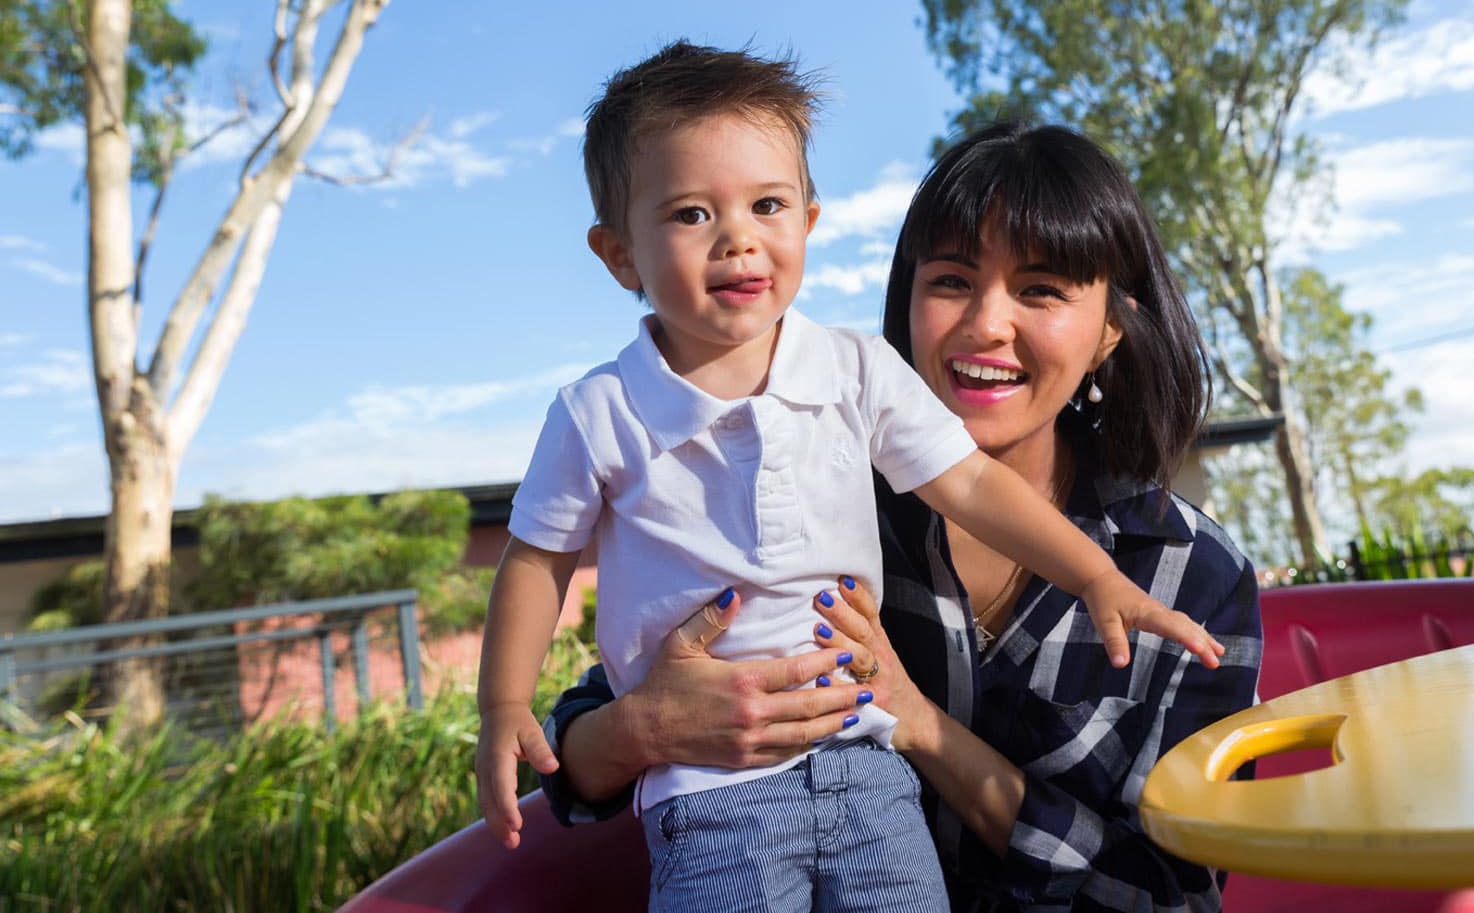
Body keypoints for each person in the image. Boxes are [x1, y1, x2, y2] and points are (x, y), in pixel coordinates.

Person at [477, 44, 1229, 913]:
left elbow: (1173, 890)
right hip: (715, 799)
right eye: (690, 213)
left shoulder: (856, 383)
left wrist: (1097, 577)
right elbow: (544, 580)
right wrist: (532, 708)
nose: (738, 237)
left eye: (1043, 289)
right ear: (619, 254)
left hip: (869, 778)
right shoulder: (624, 418)